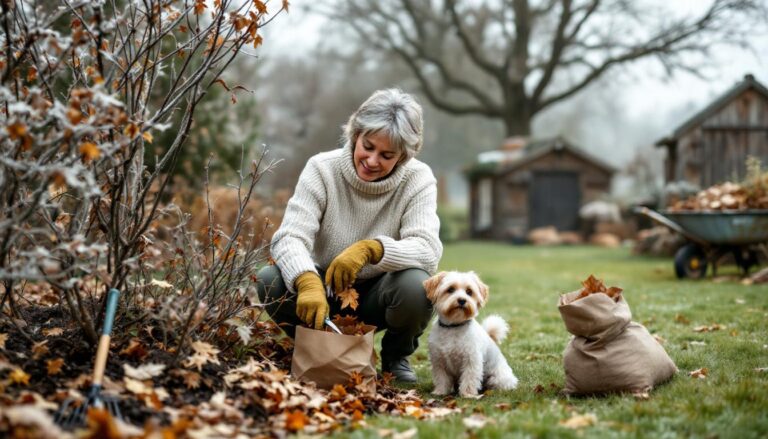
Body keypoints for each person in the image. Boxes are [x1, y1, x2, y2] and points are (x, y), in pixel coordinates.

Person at [256, 89, 442, 383]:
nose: (371, 160)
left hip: (378, 294)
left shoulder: (418, 179)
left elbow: (427, 249)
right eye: (367, 146)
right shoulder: (322, 168)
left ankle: (395, 358)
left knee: (417, 286)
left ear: (404, 156)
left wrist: (371, 250)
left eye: (386, 155)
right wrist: (306, 281)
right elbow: (289, 236)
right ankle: (314, 348)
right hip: (323, 290)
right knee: (270, 280)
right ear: (355, 135)